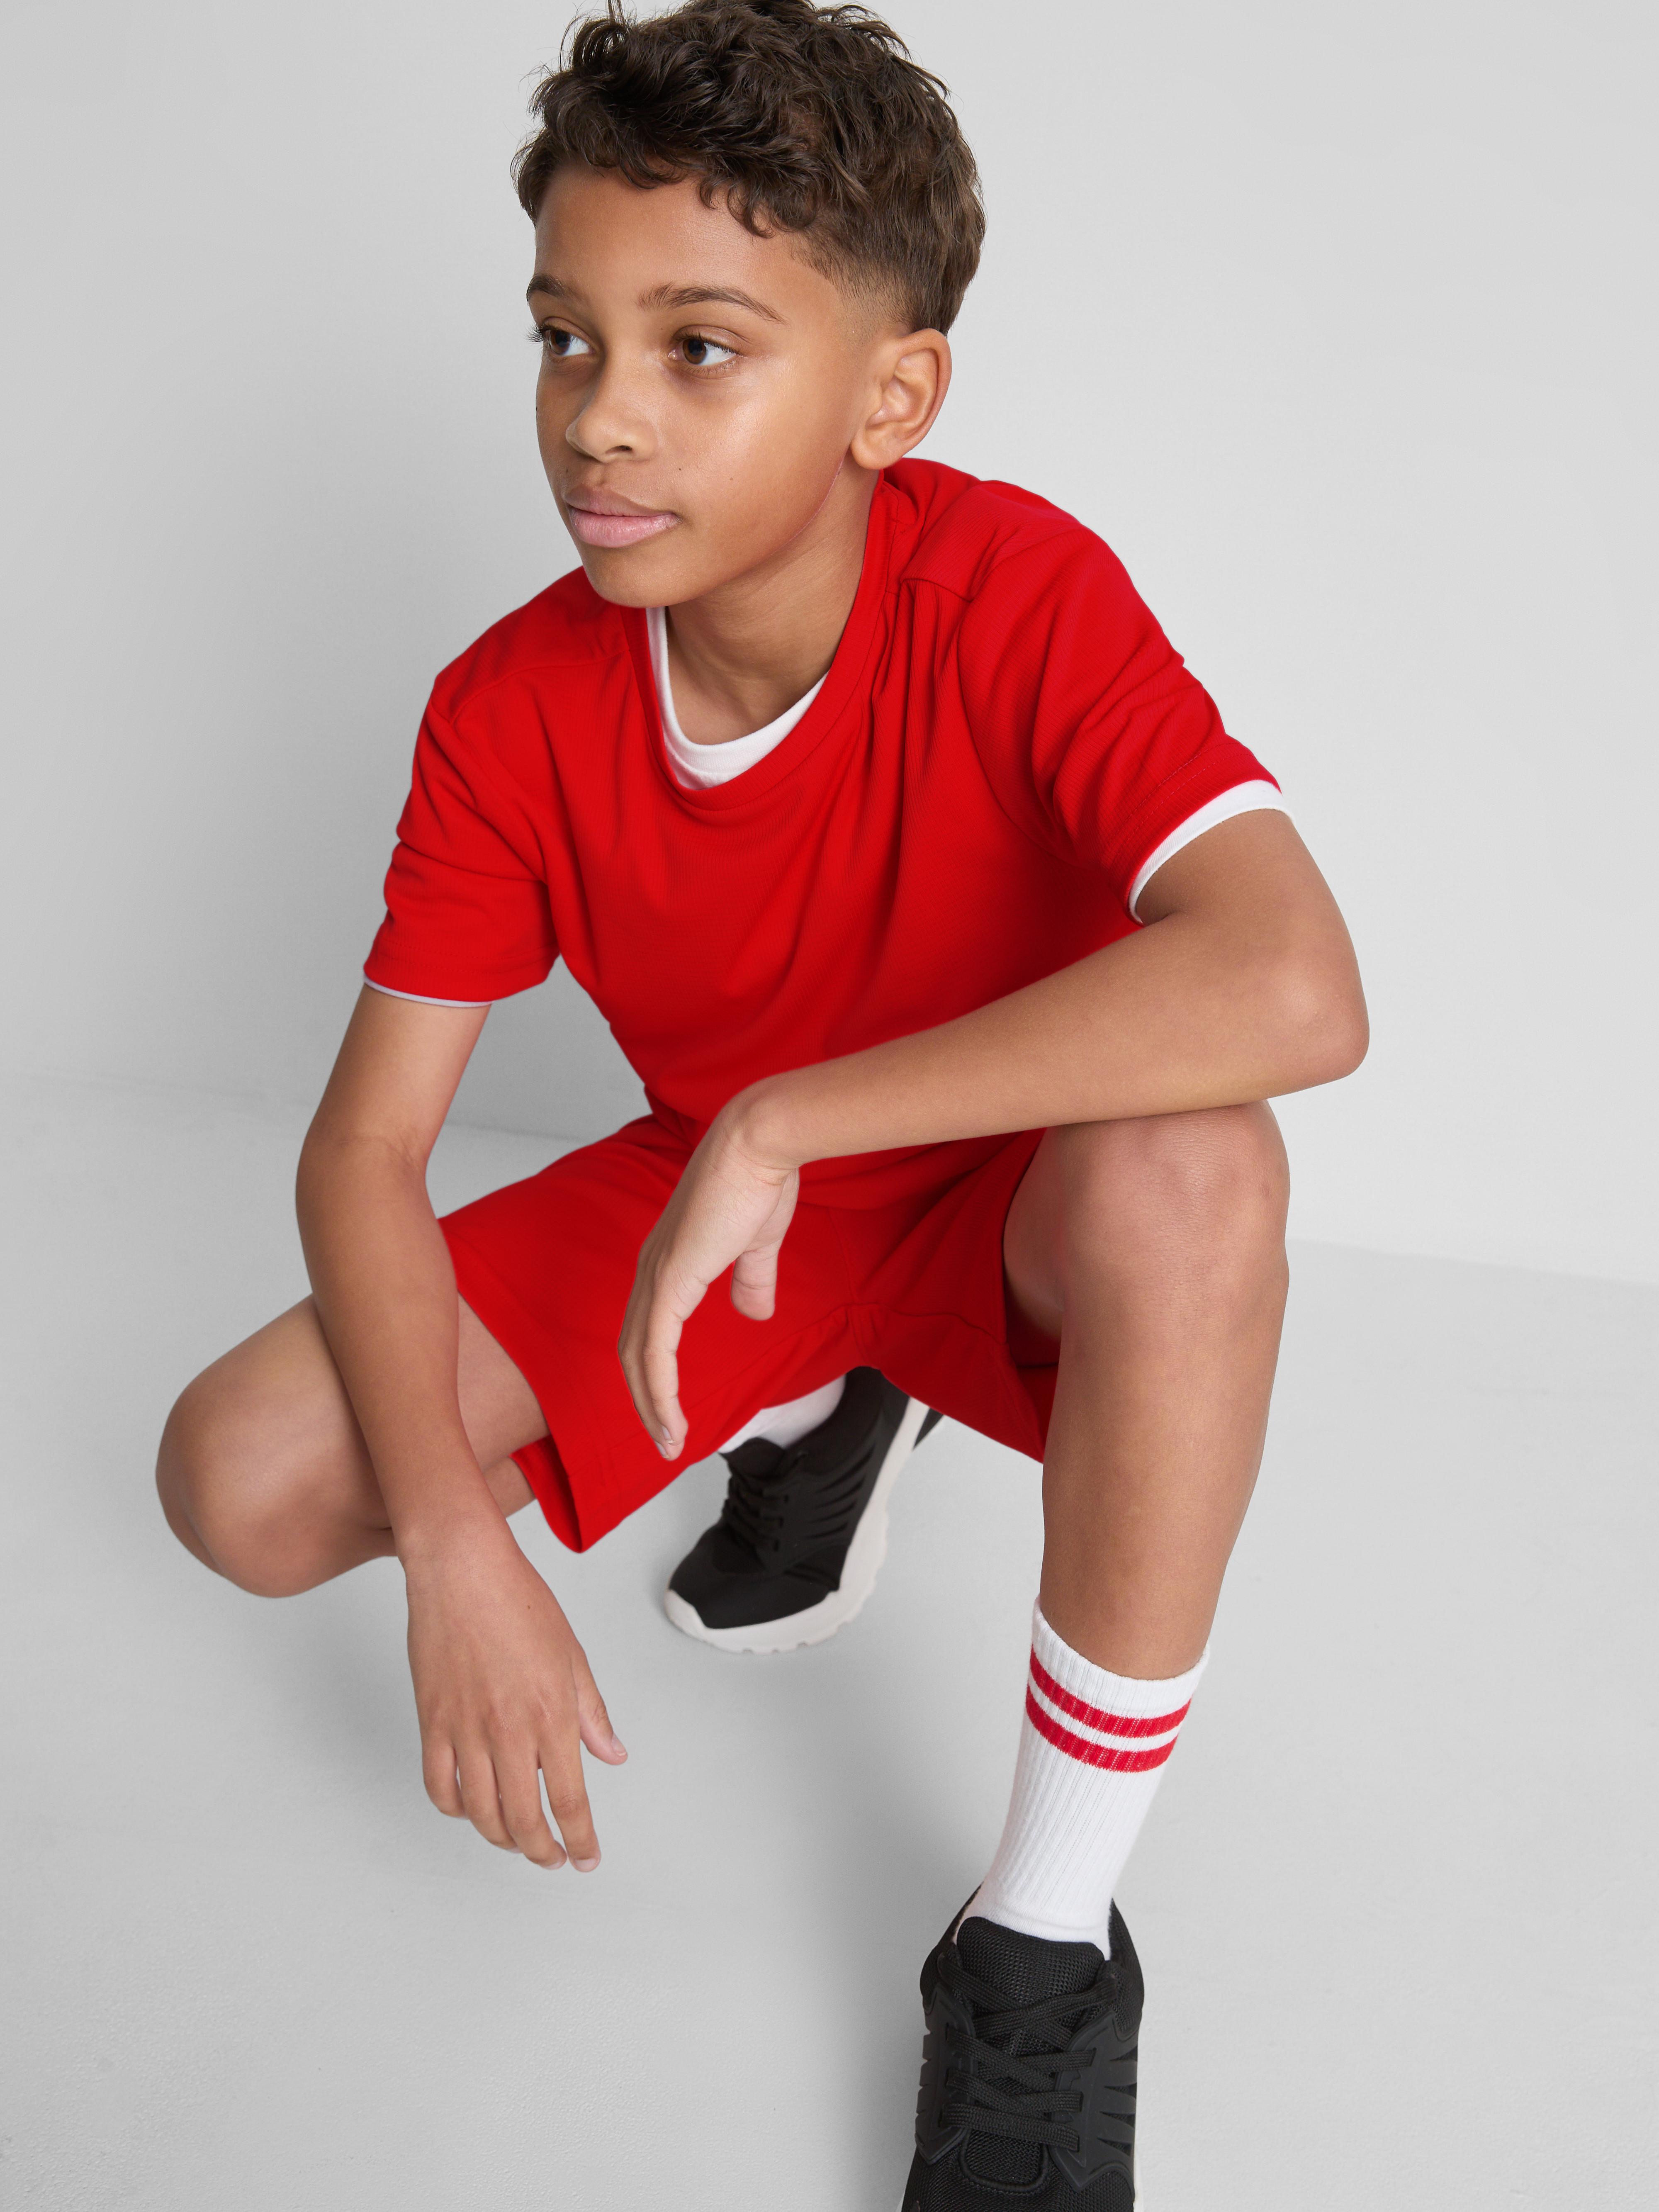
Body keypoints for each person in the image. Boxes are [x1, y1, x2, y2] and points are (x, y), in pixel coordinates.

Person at [154, 3, 1367, 2203]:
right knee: (239, 1478)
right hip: (740, 1208)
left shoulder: (1014, 589)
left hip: (994, 1194)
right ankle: (826, 1399)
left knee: (1199, 1159)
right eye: (564, 336)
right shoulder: (509, 705)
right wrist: (455, 1545)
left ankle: (1039, 1948)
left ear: (892, 397)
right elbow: (365, 1149)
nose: (600, 416)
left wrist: (794, 1118)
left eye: (698, 347)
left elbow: (1297, 980)